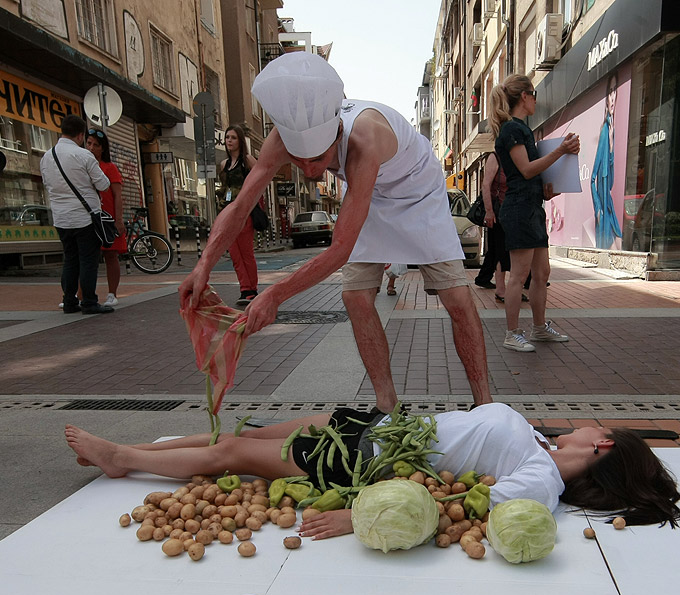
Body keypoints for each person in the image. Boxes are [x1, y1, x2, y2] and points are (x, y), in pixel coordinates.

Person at [180, 52, 491, 413]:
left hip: (417, 191)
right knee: (355, 296)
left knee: (456, 296)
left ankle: (485, 404)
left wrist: (277, 294)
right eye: (300, 160)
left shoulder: (364, 138)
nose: (311, 170)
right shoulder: (280, 138)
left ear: (338, 133)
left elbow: (340, 249)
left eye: (320, 159)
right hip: (369, 195)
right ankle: (386, 404)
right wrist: (203, 266)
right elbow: (239, 206)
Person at [63, 402, 680, 539]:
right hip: (379, 426)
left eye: (594, 428)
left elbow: (468, 509)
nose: (584, 425)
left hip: (365, 459)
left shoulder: (542, 481)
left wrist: (357, 513)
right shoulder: (541, 446)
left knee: (233, 459)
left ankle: (125, 461)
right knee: (249, 437)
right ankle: (159, 448)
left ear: (602, 445)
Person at [489, 74, 580, 353]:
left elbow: (525, 175)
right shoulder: (511, 130)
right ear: (524, 96)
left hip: (531, 206)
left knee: (542, 273)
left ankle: (539, 329)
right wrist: (562, 151)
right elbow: (526, 170)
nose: (536, 100)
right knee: (519, 275)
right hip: (519, 210)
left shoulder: (520, 129)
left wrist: (544, 191)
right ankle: (512, 333)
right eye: (534, 94)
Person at [40, 114, 113, 315]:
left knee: (70, 259)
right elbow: (104, 184)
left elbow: (47, 185)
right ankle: (89, 302)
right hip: (84, 217)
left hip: (61, 218)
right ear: (81, 135)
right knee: (88, 260)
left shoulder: (47, 157)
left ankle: (69, 301)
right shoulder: (83, 156)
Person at [217, 124, 260, 306]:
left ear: (240, 140)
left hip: (244, 213)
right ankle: (244, 289)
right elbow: (224, 188)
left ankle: (252, 289)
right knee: (234, 254)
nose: (229, 141)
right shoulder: (224, 165)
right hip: (227, 214)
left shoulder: (248, 161)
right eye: (227, 138)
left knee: (246, 252)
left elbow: (260, 182)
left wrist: (249, 203)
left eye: (233, 138)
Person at [85, 128, 126, 307]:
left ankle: (112, 293)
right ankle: (81, 294)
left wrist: (118, 219)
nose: (91, 147)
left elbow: (117, 195)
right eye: (88, 143)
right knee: (86, 257)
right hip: (87, 218)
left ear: (103, 148)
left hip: (107, 218)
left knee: (111, 255)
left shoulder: (109, 168)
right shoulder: (81, 165)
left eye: (96, 145)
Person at [475, 152, 523, 303]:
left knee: (517, 251)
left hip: (518, 212)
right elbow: (486, 184)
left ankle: (515, 288)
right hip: (499, 212)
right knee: (500, 251)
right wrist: (489, 211)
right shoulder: (495, 157)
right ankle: (501, 289)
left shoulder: (520, 156)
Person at [591, 72, 623, 250]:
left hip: (608, 203)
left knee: (618, 247)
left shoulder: (611, 130)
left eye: (614, 91)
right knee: (612, 249)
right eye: (610, 91)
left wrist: (611, 148)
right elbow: (593, 177)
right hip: (603, 207)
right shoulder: (605, 129)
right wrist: (597, 209)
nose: (612, 97)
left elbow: (609, 180)